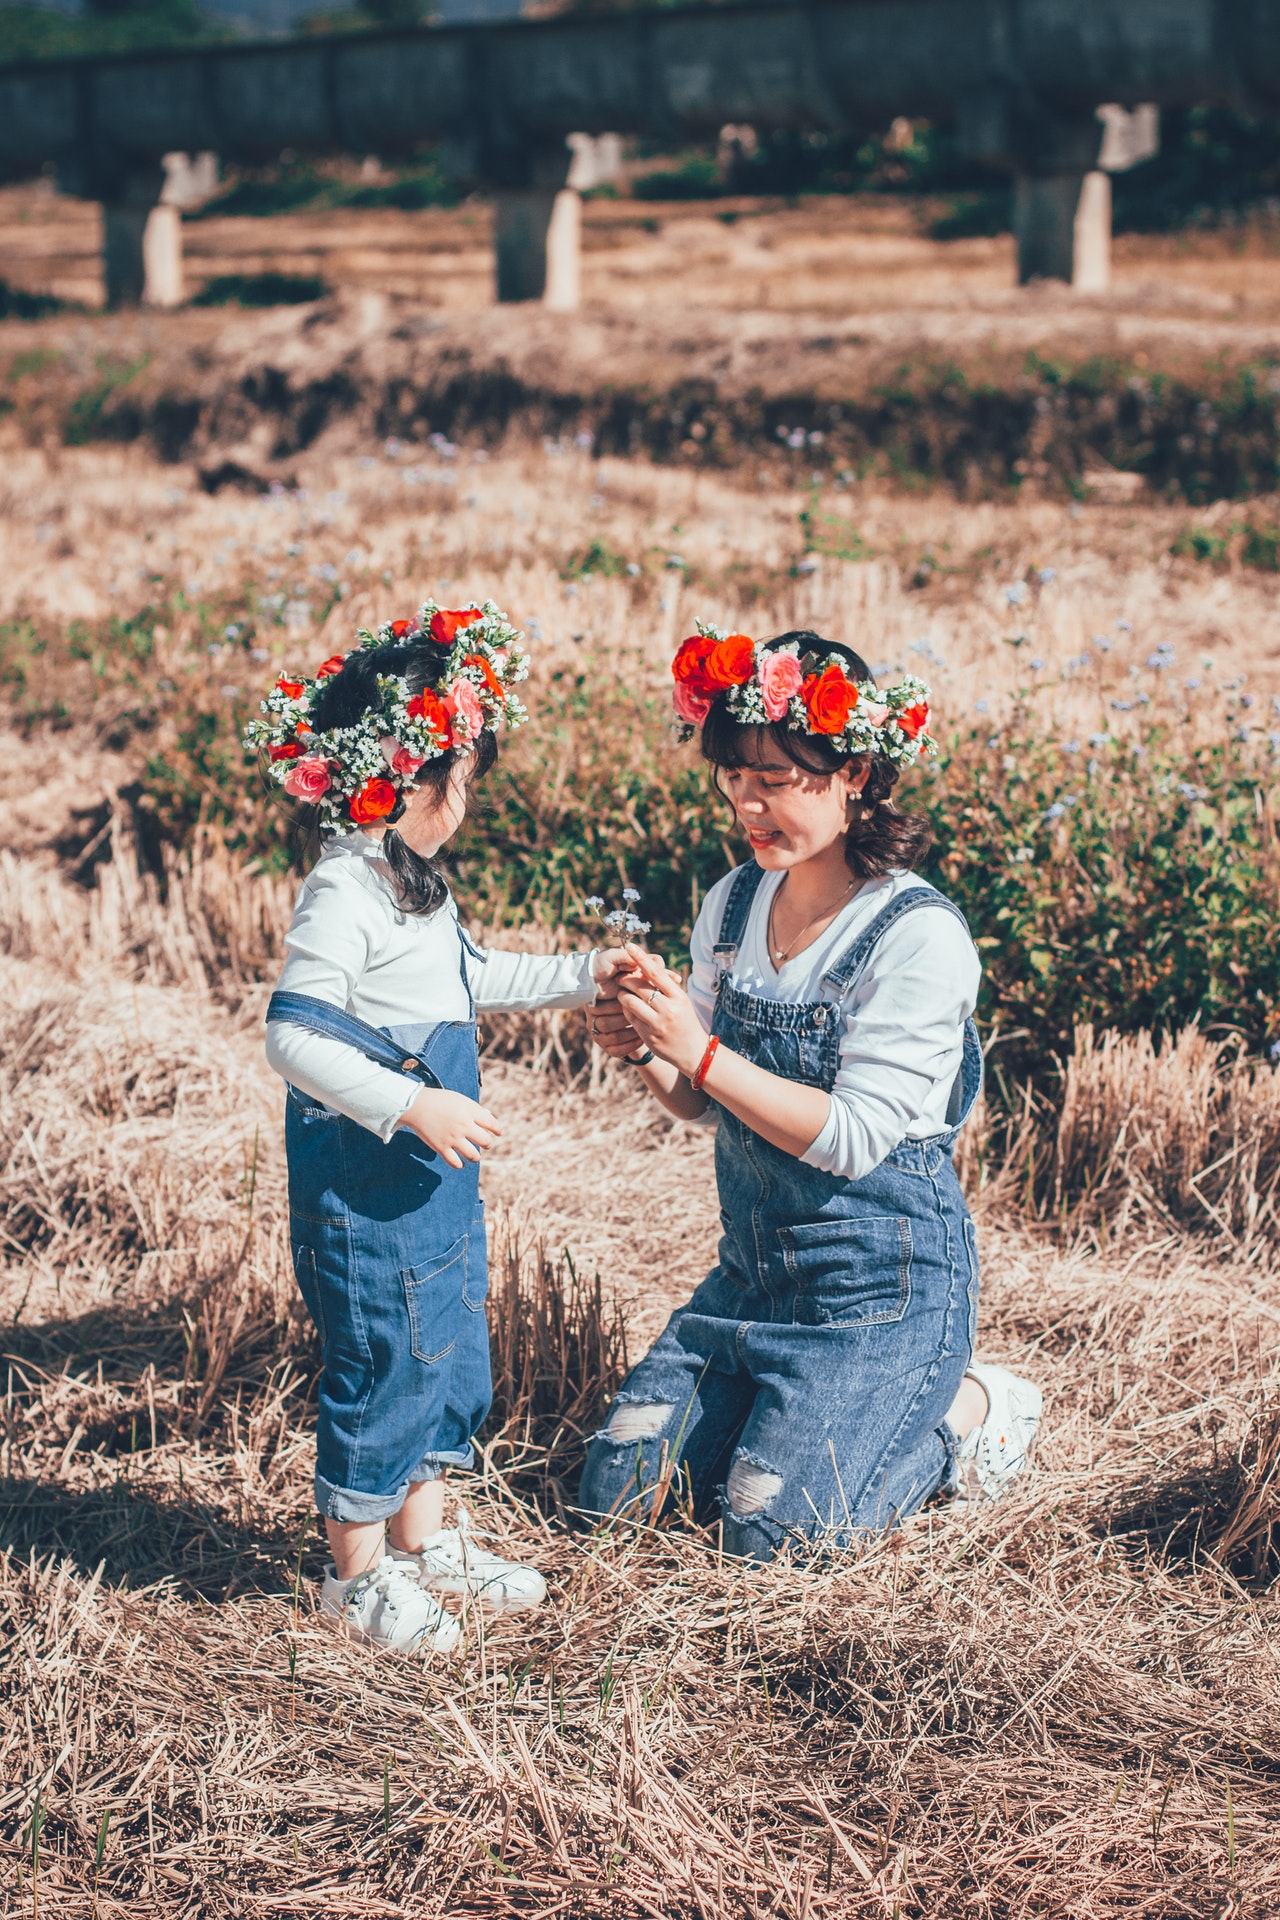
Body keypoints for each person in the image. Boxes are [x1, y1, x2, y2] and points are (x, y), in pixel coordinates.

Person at [582, 625, 1042, 1562]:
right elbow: (701, 1103)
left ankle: (966, 1416)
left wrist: (699, 1052)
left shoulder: (916, 935)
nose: (748, 804)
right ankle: (786, 1417)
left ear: (854, 773)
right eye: (733, 776)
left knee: (772, 1535)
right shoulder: (736, 901)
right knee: (616, 1498)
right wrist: (644, 1049)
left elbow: (853, 1138)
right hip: (755, 1275)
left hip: (879, 1288)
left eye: (777, 779)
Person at [248, 601, 626, 1654]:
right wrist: (410, 1103)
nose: (463, 804)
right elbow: (293, 1037)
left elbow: (474, 976)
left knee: (444, 1353)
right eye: (459, 781)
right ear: (407, 776)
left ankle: (421, 1543)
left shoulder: (413, 886)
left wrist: (581, 972)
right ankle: (355, 1577)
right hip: (367, 1195)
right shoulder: (345, 889)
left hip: (431, 1193)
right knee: (383, 1363)